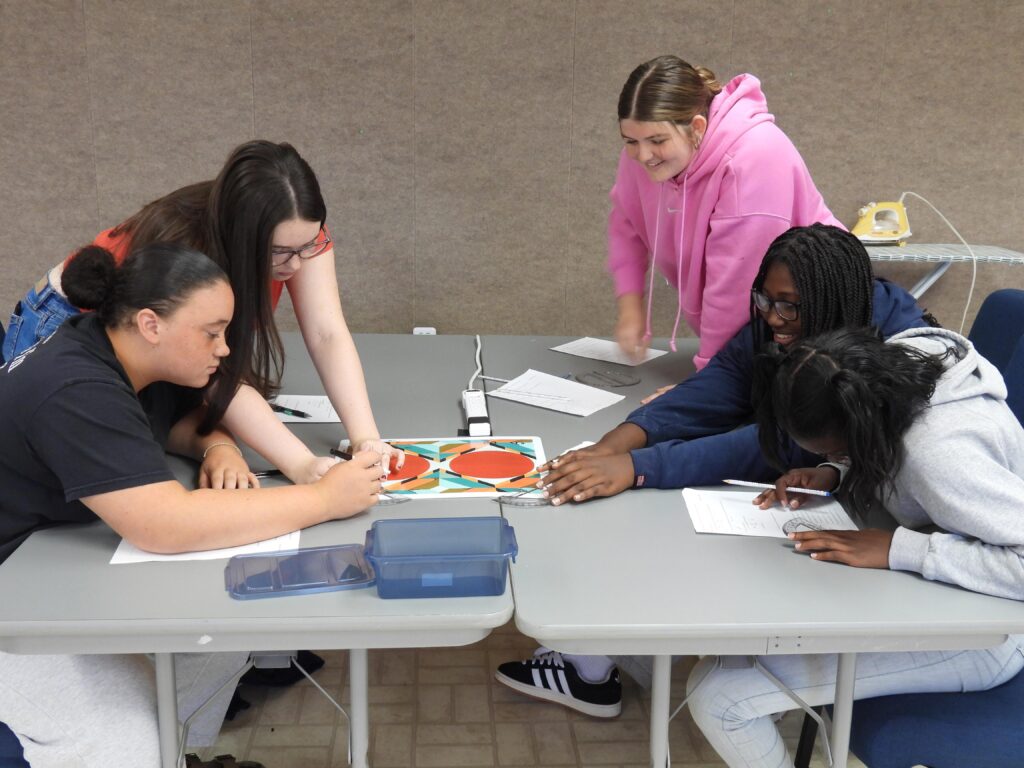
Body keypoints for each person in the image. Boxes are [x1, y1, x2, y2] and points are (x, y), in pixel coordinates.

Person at [494, 225, 935, 716]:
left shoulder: (889, 357)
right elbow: (719, 386)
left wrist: (638, 467)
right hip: (840, 485)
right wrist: (617, 441)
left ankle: (596, 664)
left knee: (712, 540)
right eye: (764, 300)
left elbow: (780, 441)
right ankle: (596, 664)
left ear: (831, 301)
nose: (772, 319)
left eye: (787, 305)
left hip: (891, 526)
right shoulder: (813, 313)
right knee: (683, 519)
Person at [0, 243, 383, 767]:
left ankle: (174, 755)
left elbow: (156, 426)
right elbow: (163, 525)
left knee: (221, 634)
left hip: (37, 562)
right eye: (212, 332)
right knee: (123, 737)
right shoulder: (73, 387)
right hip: (13, 593)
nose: (225, 349)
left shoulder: (122, 354)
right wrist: (322, 498)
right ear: (151, 324)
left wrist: (216, 445)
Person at [685, 326, 1024, 767]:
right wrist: (836, 472)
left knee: (720, 696)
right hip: (937, 599)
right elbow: (894, 465)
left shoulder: (940, 454)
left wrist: (898, 550)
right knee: (738, 646)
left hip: (992, 633)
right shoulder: (892, 365)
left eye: (834, 448)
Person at [2, 139, 403, 485]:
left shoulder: (296, 232)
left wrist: (365, 437)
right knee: (88, 470)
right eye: (281, 252)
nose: (296, 265)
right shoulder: (189, 254)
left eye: (309, 246)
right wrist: (302, 465)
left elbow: (326, 332)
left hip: (145, 340)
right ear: (243, 236)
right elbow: (217, 377)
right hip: (62, 322)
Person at [610, 55, 842, 368]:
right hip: (759, 329)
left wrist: (708, 382)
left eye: (657, 141)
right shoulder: (645, 155)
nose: (643, 154)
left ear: (696, 127)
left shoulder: (754, 155)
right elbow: (626, 222)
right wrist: (630, 306)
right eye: (630, 141)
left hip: (820, 321)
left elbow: (736, 286)